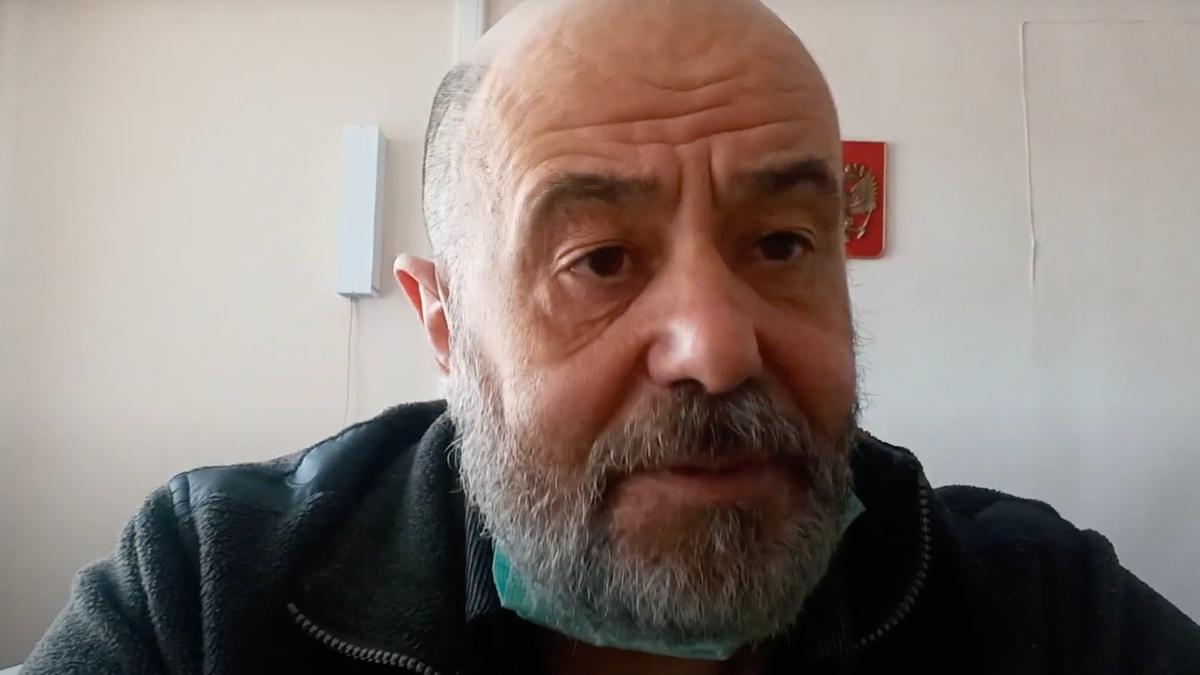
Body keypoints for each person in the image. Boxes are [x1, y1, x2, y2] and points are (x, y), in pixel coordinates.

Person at [22, 0, 1200, 673]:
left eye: (781, 243)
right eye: (599, 260)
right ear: (443, 326)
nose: (718, 349)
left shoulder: (1039, 613)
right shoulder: (209, 598)